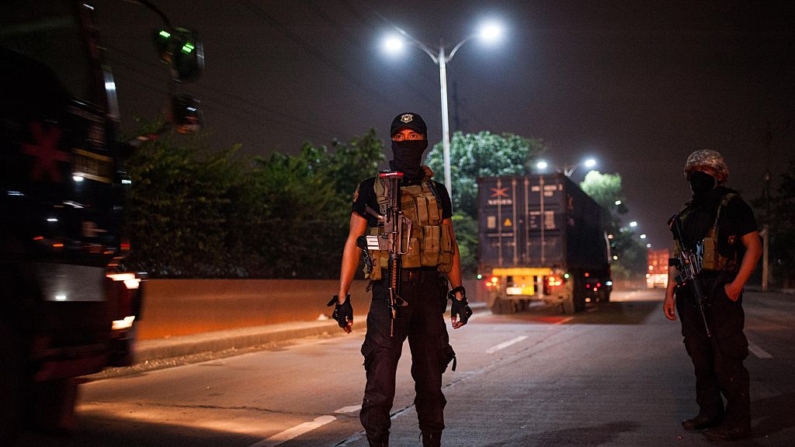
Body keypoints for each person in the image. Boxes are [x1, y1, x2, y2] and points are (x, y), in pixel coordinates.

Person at [329, 112, 472, 447]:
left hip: (428, 296)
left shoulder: (438, 191)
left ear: (424, 141)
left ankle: (432, 441)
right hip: (388, 293)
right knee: (379, 381)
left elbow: (449, 245)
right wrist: (342, 297)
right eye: (401, 136)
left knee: (430, 380)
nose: (407, 142)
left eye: (414, 136)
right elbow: (353, 241)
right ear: (392, 140)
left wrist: (459, 294)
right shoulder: (370, 189)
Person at [663, 149, 761, 442]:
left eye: (704, 171)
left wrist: (737, 284)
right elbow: (677, 258)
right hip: (689, 292)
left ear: (719, 175)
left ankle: (738, 422)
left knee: (726, 355)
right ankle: (709, 412)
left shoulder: (733, 205)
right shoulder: (685, 214)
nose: (698, 176)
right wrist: (669, 293)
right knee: (700, 356)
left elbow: (754, 247)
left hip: (721, 289)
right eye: (693, 172)